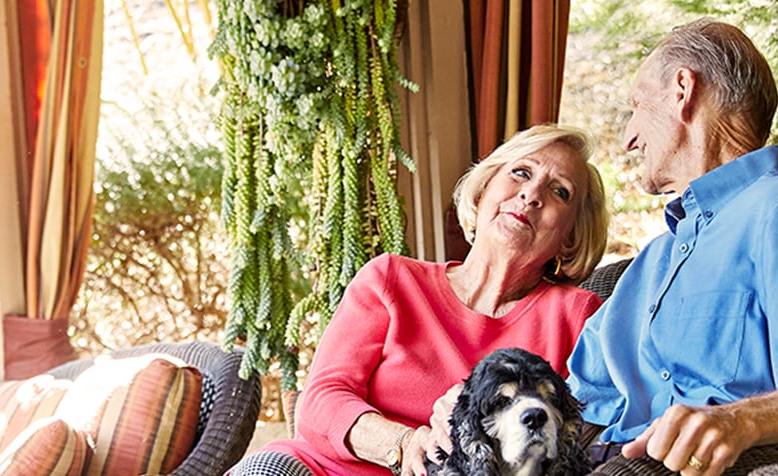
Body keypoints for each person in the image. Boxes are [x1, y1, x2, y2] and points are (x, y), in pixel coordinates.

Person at [427, 18, 778, 476]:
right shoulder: (652, 261)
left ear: (682, 90)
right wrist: (468, 405)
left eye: (637, 106)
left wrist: (738, 420)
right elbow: (574, 408)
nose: (628, 139)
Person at [229, 124, 613, 476]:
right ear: (482, 193)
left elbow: (580, 434)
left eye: (559, 191)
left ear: (570, 238)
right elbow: (321, 402)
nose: (532, 194)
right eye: (521, 172)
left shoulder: (578, 317)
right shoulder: (391, 279)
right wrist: (406, 443)